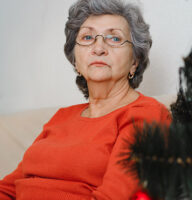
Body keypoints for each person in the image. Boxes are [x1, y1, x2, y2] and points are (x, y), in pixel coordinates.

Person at [0, 0, 171, 199]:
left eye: (114, 38)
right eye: (88, 37)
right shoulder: (62, 116)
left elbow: (115, 196)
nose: (98, 48)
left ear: (134, 61)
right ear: (76, 60)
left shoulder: (145, 114)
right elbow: (9, 188)